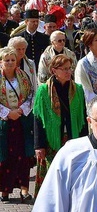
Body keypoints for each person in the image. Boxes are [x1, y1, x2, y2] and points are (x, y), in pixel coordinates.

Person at [33, 54, 87, 191]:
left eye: (70, 68)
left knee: (72, 171)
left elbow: (82, 118)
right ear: (54, 70)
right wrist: (39, 145)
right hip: (51, 140)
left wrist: (85, 141)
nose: (68, 72)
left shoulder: (78, 89)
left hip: (72, 137)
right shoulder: (44, 91)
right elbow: (38, 119)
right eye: (64, 69)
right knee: (52, 174)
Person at [0, 47, 35, 203]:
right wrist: (7, 113)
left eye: (12, 60)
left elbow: (31, 95)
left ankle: (24, 190)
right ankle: (4, 191)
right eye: (6, 60)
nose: (10, 62)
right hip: (4, 122)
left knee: (23, 156)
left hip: (21, 121)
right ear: (1, 62)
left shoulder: (23, 76)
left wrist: (21, 110)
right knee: (4, 157)